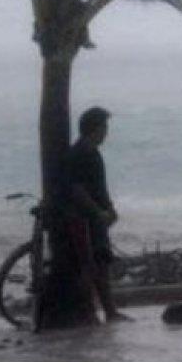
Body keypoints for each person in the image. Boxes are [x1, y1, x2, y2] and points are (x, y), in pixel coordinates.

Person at [54, 107, 131, 324]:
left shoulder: (91, 152)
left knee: (101, 263)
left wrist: (110, 209)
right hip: (85, 218)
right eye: (104, 127)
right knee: (89, 265)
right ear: (94, 129)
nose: (106, 133)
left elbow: (99, 187)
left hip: (95, 216)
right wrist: (98, 212)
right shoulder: (80, 154)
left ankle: (109, 310)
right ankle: (91, 311)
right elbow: (77, 189)